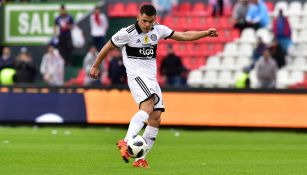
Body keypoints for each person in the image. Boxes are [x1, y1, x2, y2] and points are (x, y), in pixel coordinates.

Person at [89, 4, 218, 168]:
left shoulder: (158, 30)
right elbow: (108, 46)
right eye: (144, 21)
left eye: (150, 21)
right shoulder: (126, 33)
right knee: (148, 105)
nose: (147, 25)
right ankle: (126, 140)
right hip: (137, 76)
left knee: (156, 118)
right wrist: (95, 65)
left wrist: (205, 33)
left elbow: (184, 36)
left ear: (155, 19)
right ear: (138, 17)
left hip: (151, 79)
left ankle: (140, 160)